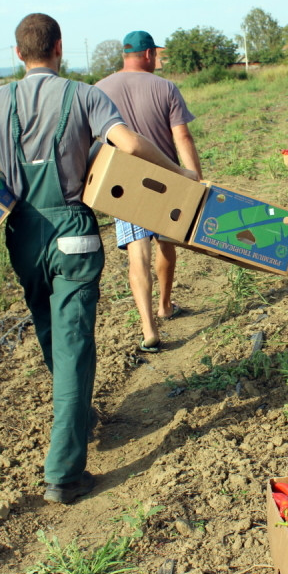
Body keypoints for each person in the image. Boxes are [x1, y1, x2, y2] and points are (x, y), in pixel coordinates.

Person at [0, 13, 196, 504]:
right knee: (74, 342)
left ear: (19, 54)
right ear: (59, 47)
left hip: (23, 237)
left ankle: (77, 414)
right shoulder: (83, 96)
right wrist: (177, 172)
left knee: (50, 332)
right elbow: (128, 143)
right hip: (72, 232)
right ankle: (65, 473)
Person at [95, 30, 202, 353]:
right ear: (147, 54)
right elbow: (182, 136)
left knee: (137, 254)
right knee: (166, 244)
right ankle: (165, 305)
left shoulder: (98, 90)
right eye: (155, 54)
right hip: (166, 181)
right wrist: (195, 179)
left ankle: (148, 327)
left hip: (124, 185)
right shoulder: (165, 87)